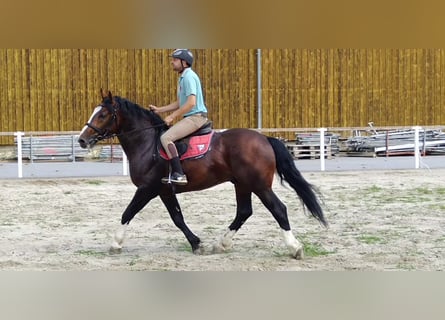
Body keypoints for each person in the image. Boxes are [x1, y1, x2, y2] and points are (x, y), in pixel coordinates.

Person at [149, 49, 209, 185]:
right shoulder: (183, 77)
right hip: (191, 117)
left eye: (175, 60)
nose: (172, 62)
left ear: (184, 63)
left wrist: (171, 117)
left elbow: (191, 103)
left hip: (196, 117)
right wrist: (160, 110)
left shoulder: (188, 77)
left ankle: (179, 174)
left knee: (166, 137)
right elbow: (180, 103)